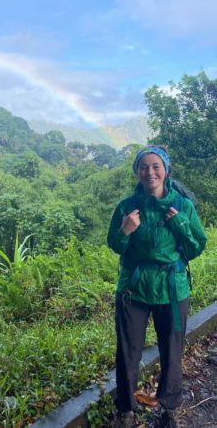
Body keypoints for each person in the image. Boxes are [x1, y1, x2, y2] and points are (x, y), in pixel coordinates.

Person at [107, 146, 207, 428]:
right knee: (128, 351)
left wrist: (180, 225)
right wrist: (125, 230)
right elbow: (114, 243)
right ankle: (126, 410)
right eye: (143, 167)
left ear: (165, 169)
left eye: (155, 166)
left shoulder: (183, 205)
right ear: (137, 172)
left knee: (172, 350)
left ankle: (170, 408)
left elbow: (196, 246)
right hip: (133, 290)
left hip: (172, 289)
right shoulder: (127, 206)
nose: (149, 172)